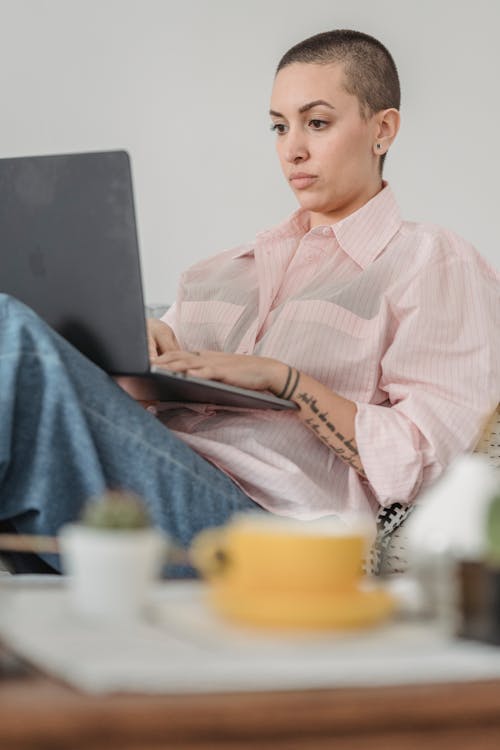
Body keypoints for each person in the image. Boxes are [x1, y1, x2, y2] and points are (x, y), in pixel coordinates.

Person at [0, 29, 498, 575]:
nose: (293, 148)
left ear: (382, 130)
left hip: (264, 525)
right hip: (149, 474)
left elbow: (435, 462)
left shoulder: (432, 260)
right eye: (279, 126)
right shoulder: (218, 272)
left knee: (8, 331)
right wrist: (124, 357)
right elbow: (121, 413)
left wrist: (283, 380)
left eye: (318, 122)